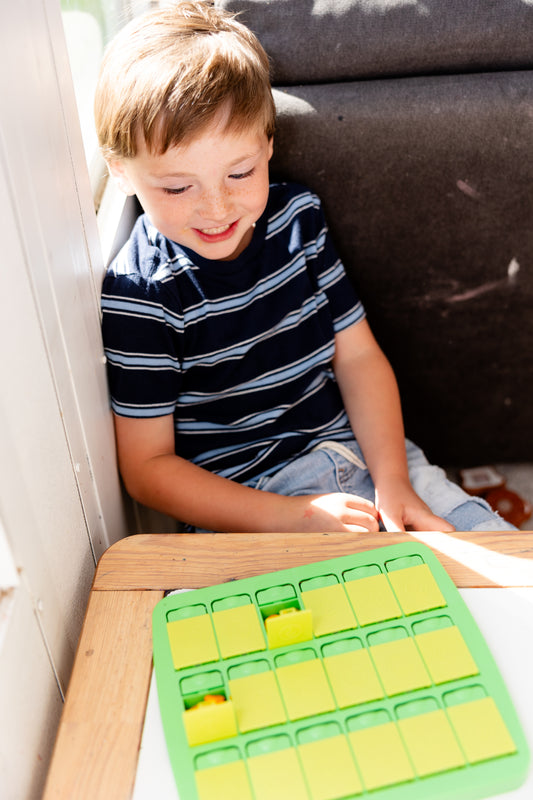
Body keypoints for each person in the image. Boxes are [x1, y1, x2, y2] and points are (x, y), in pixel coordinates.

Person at [96, 0, 514, 533]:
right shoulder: (140, 293)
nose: (217, 208)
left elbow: (359, 359)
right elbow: (147, 470)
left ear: (268, 145)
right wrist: (293, 517)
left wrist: (394, 482)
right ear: (122, 172)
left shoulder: (298, 217)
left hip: (367, 457)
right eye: (178, 187)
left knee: (500, 571)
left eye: (241, 173)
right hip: (248, 509)